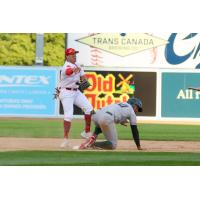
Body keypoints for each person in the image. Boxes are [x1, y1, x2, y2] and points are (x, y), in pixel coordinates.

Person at [59, 48, 93, 148]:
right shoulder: (65, 66)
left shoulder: (78, 65)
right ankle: (65, 140)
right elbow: (69, 72)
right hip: (66, 92)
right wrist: (76, 69)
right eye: (72, 54)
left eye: (75, 53)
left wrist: (84, 81)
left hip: (76, 91)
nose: (74, 55)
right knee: (69, 116)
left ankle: (86, 132)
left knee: (89, 108)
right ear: (67, 56)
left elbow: (84, 77)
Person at [79, 97, 143, 150]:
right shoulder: (132, 112)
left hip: (96, 114)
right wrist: (138, 146)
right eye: (138, 108)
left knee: (103, 123)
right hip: (107, 117)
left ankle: (91, 139)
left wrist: (121, 121)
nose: (137, 110)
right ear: (134, 105)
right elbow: (134, 130)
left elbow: (106, 117)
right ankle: (90, 144)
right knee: (113, 145)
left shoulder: (120, 104)